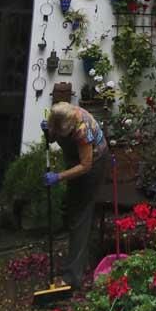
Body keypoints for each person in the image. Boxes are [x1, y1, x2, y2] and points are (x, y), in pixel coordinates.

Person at [42, 102, 108, 288]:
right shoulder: (60, 112)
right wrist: (48, 133)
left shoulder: (81, 129)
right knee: (75, 210)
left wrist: (59, 176)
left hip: (92, 165)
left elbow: (85, 166)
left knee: (80, 216)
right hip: (76, 160)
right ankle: (87, 255)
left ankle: (72, 277)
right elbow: (55, 135)